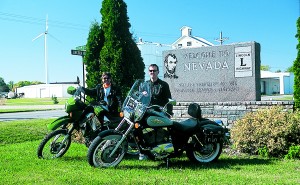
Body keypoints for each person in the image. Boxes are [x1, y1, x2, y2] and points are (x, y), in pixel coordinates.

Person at [139, 64, 173, 160]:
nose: (152, 72)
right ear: (148, 72)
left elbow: (169, 100)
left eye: (154, 71)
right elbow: (139, 99)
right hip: (145, 113)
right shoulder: (144, 85)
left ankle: (160, 150)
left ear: (158, 72)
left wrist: (168, 113)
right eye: (150, 71)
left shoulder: (163, 85)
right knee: (140, 130)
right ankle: (143, 152)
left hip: (158, 112)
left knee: (159, 132)